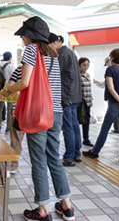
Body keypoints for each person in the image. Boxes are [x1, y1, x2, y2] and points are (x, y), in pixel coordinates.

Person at [1, 16, 74, 221]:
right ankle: (67, 207)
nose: (22, 37)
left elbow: (24, 83)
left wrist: (8, 90)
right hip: (56, 111)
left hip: (39, 114)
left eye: (24, 33)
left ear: (30, 35)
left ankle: (43, 210)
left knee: (39, 161)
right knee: (54, 158)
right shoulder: (53, 53)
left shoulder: (32, 49)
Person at [83, 48, 119, 165]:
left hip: (115, 103)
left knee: (105, 128)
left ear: (112, 57)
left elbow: (110, 88)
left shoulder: (110, 69)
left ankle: (95, 151)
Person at [48, 33, 82, 167]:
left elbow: (55, 74)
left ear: (54, 43)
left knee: (67, 128)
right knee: (74, 127)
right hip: (74, 95)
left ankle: (68, 157)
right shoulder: (71, 52)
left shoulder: (61, 54)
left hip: (66, 96)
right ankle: (76, 154)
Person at [8, 66, 26, 174]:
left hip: (19, 110)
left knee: (16, 140)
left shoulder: (19, 70)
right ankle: (38, 168)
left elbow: (10, 86)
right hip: (37, 112)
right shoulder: (42, 69)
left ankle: (12, 166)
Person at [0, 51, 16, 133]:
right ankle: (8, 128)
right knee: (10, 109)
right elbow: (15, 78)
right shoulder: (11, 66)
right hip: (9, 89)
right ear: (10, 58)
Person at [78, 57, 94, 147]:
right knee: (79, 120)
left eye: (87, 65)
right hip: (81, 103)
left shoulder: (88, 75)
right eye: (83, 65)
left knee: (86, 121)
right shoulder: (78, 75)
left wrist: (91, 100)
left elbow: (89, 89)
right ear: (79, 65)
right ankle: (78, 139)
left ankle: (86, 138)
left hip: (88, 102)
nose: (86, 67)